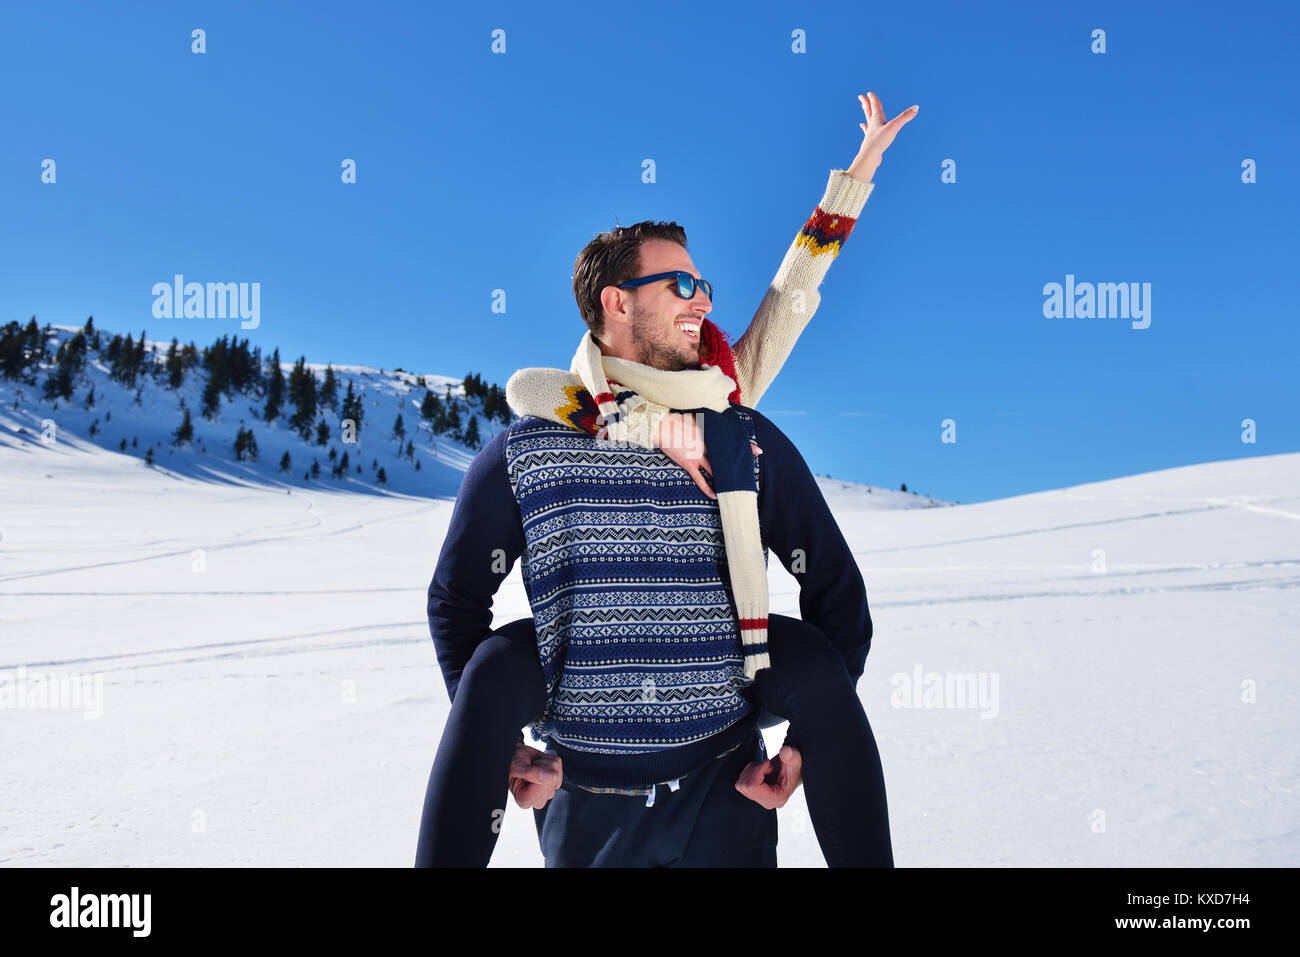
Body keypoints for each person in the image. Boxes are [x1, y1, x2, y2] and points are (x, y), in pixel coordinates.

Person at [416, 92, 918, 867]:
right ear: (616, 303)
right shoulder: (539, 444)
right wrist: (506, 748)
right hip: (586, 801)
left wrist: (852, 180)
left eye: (704, 284)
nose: (705, 299)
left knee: (814, 662)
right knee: (493, 669)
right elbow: (457, 595)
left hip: (724, 787)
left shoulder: (733, 420)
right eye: (681, 285)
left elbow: (792, 298)